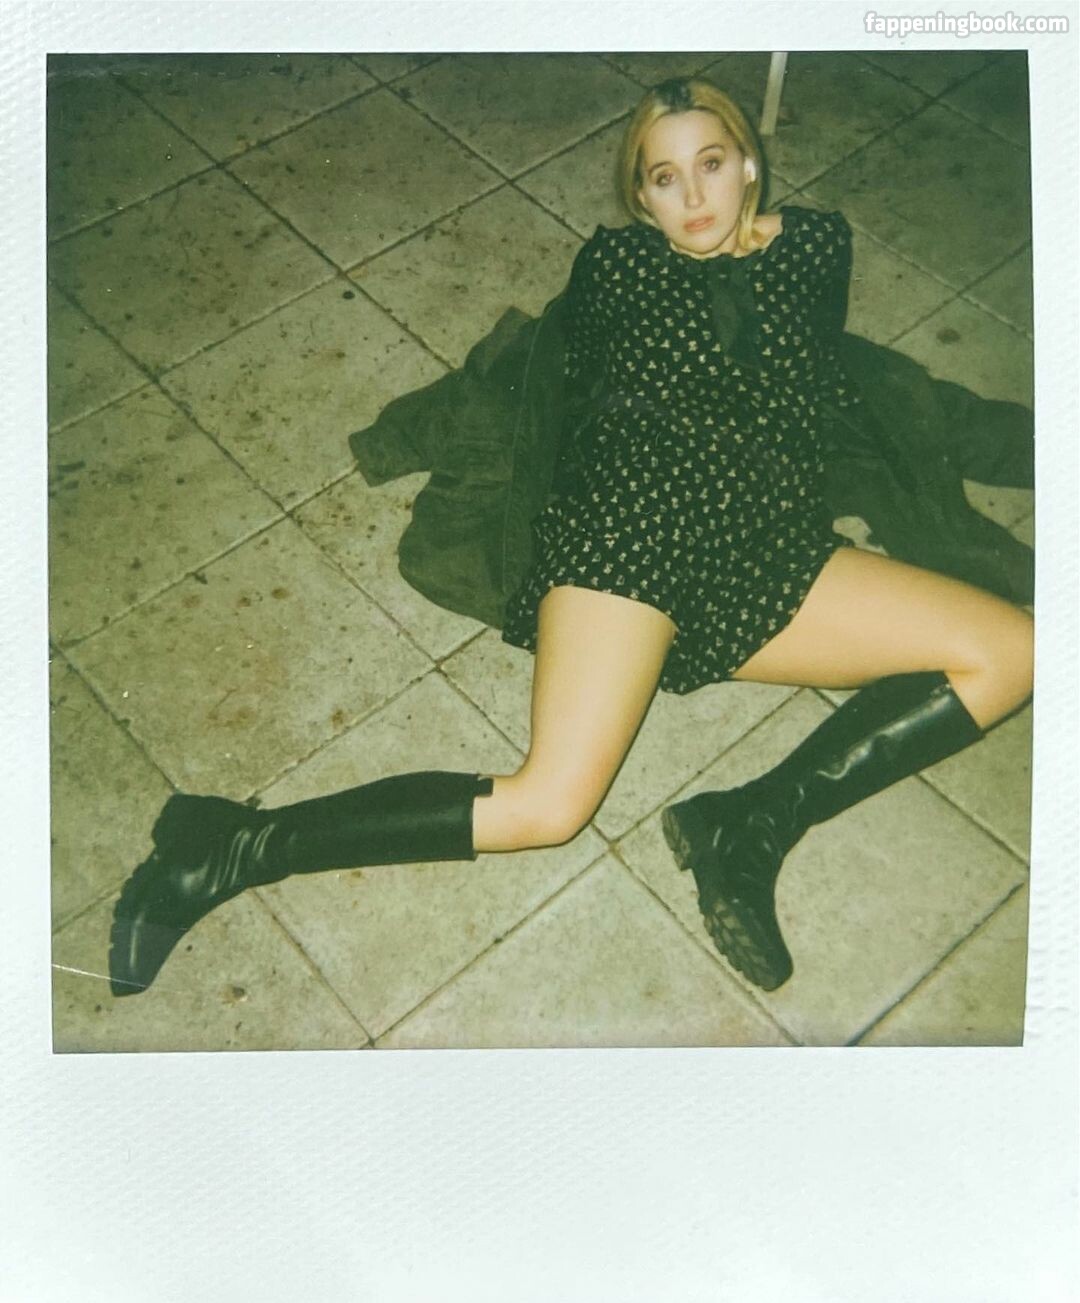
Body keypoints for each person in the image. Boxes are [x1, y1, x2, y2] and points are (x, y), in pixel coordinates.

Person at [109, 77, 1033, 999]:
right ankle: (231, 844)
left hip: (770, 544)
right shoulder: (619, 267)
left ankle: (751, 821)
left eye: (712, 164)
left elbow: (837, 376)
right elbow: (562, 390)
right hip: (632, 532)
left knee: (1014, 651)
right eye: (665, 178)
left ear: (749, 164)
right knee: (549, 804)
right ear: (641, 197)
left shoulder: (819, 245)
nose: (695, 196)